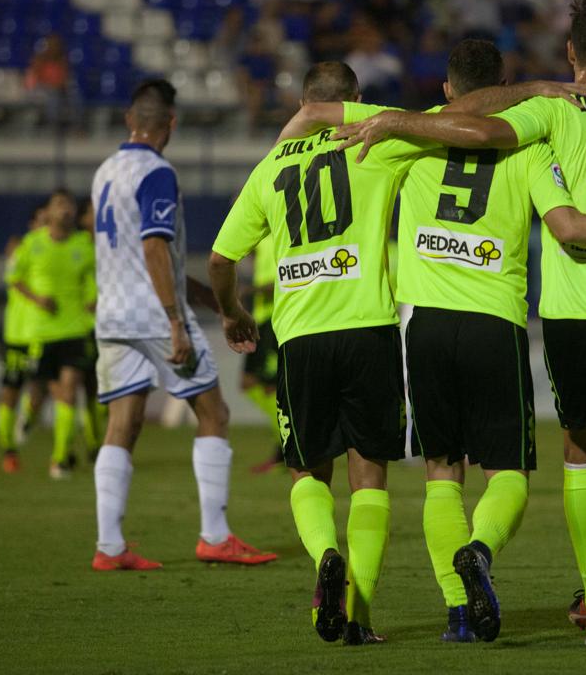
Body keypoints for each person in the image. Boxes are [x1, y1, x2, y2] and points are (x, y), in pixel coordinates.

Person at [273, 40, 586, 643]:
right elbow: (566, 227)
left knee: (442, 474)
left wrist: (284, 162)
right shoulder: (528, 147)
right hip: (497, 322)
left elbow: (309, 116)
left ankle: (458, 612)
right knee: (508, 473)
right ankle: (483, 550)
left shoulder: (410, 134)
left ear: (446, 90)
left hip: (426, 324)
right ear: (506, 86)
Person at [208, 62, 425, 646]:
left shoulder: (269, 168)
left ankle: (325, 555)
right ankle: (359, 613)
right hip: (369, 331)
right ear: (354, 100)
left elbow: (220, 261)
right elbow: (446, 126)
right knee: (370, 474)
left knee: (306, 467)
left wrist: (231, 313)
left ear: (303, 103)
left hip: (300, 339)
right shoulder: (378, 141)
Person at [89, 79, 277, 571]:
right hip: (154, 315)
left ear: (130, 122)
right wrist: (176, 320)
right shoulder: (157, 173)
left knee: (122, 424)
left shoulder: (105, 172)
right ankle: (214, 535)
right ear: (170, 124)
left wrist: (219, 305)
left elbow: (147, 258)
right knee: (214, 414)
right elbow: (153, 247)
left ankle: (109, 547)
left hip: (112, 315)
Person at [8, 189, 96, 479]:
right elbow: (14, 277)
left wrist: (93, 298)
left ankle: (59, 460)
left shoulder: (84, 244)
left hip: (74, 329)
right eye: (60, 205)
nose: (66, 210)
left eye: (69, 205)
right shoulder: (32, 244)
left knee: (68, 392)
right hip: (41, 332)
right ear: (49, 211)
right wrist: (37, 299)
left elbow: (93, 277)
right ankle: (28, 417)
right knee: (41, 392)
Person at [0, 203, 49, 473]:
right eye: (42, 220)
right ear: (32, 224)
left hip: (46, 334)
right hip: (18, 333)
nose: (46, 225)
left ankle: (28, 419)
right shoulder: (23, 248)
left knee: (42, 391)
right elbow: (13, 274)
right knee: (11, 391)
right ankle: (8, 450)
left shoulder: (57, 249)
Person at [240, 236, 283, 474]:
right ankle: (284, 445)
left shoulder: (280, 234)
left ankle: (285, 448)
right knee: (250, 383)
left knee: (270, 387)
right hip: (262, 320)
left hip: (276, 318)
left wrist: (252, 289)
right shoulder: (262, 238)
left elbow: (284, 279)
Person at [76, 198, 108, 460]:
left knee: (105, 389)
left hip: (111, 324)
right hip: (83, 327)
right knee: (89, 386)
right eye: (92, 212)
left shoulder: (112, 243)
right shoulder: (76, 246)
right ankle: (93, 442)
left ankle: (100, 441)